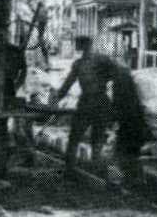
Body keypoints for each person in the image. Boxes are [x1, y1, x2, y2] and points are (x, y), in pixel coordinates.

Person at [50, 35, 120, 179]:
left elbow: (67, 84)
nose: (77, 46)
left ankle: (76, 170)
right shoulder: (96, 61)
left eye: (78, 44)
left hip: (91, 102)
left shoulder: (87, 63)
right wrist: (56, 99)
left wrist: (57, 99)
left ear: (84, 45)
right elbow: (67, 84)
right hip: (98, 102)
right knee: (94, 138)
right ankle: (92, 170)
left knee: (78, 137)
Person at [109, 61, 149, 188]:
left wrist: (112, 118)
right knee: (131, 151)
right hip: (134, 120)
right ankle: (134, 178)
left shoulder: (119, 83)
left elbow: (118, 104)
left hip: (128, 122)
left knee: (124, 151)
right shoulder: (128, 81)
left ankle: (130, 179)